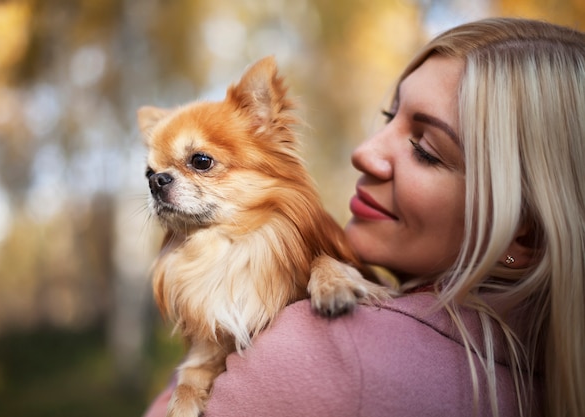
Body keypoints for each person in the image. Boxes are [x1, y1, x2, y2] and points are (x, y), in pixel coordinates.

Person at [143, 17, 585, 417]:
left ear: (521, 237)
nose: (364, 152)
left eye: (425, 150)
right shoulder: (544, 368)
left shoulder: (334, 353)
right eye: (389, 117)